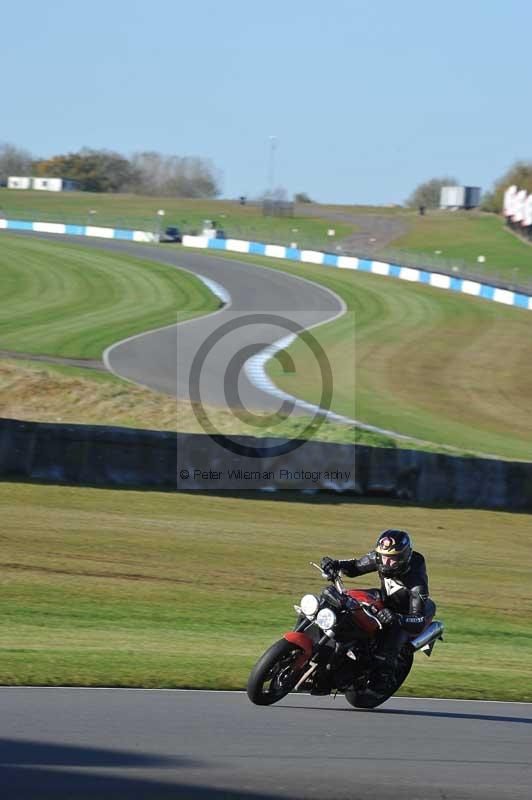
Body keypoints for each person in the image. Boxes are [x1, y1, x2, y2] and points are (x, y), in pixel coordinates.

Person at [320, 529, 435, 692]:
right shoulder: (381, 557)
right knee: (346, 599)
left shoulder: (416, 582)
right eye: (383, 556)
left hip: (402, 613)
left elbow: (418, 620)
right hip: (383, 598)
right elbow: (355, 567)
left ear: (403, 557)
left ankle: (384, 676)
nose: (385, 562)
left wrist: (398, 618)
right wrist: (335, 564)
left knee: (389, 644)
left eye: (392, 559)